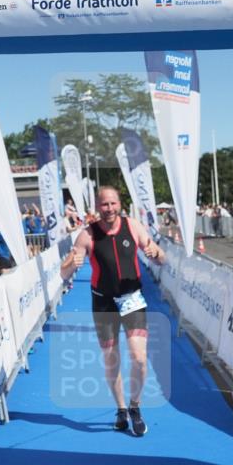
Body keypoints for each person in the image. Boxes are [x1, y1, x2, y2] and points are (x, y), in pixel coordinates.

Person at [60, 187, 166, 437]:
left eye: (113, 203)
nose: (109, 209)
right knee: (111, 359)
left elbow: (161, 259)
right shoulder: (87, 235)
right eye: (104, 204)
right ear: (98, 207)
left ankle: (135, 407)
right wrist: (72, 263)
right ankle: (120, 409)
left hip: (132, 299)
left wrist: (156, 253)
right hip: (103, 302)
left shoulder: (133, 226)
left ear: (119, 204)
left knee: (139, 358)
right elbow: (64, 273)